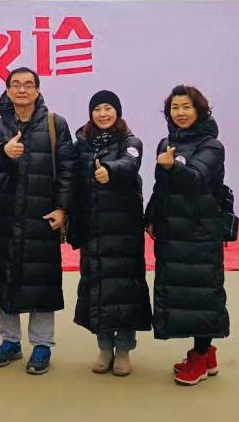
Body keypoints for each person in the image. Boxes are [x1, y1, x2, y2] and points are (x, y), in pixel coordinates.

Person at [0, 67, 77, 375]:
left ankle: (42, 345)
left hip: (42, 213)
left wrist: (62, 208)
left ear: (37, 90)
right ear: (8, 91)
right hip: (7, 213)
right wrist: (4, 152)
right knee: (5, 276)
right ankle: (10, 341)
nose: (22, 90)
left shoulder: (55, 124)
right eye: (16, 85)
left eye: (28, 85)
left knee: (41, 279)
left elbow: (68, 168)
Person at [145, 85, 229, 386]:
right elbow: (160, 185)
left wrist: (172, 167)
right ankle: (206, 354)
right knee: (182, 293)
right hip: (172, 230)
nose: (180, 113)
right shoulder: (166, 143)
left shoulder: (212, 146)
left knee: (202, 295)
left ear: (199, 110)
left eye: (186, 107)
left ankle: (200, 356)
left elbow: (195, 179)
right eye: (175, 107)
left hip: (200, 231)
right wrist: (150, 216)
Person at [72, 90, 151, 376]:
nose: (102, 114)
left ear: (117, 112)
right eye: (97, 109)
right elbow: (72, 179)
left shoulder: (131, 142)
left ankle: (124, 349)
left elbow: (130, 163)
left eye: (108, 108)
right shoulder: (81, 144)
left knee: (125, 290)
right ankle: (104, 347)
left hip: (124, 230)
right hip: (93, 229)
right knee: (98, 289)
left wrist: (109, 169)